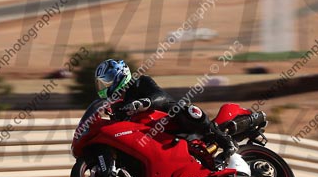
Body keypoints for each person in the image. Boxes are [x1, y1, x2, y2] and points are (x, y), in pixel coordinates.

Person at [94, 58, 238, 167]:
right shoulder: (117, 106)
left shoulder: (141, 82)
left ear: (120, 75)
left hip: (169, 120)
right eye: (102, 83)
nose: (104, 87)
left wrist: (144, 102)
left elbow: (159, 95)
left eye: (106, 81)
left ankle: (225, 141)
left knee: (189, 110)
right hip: (150, 138)